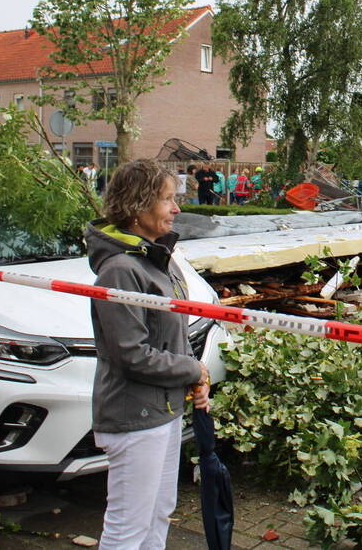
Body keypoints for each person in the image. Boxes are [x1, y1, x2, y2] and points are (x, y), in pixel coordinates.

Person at [84, 158, 211, 549]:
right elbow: (132, 355)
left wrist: (194, 378)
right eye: (167, 200)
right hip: (134, 416)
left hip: (164, 410)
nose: (176, 209)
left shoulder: (157, 257)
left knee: (159, 513)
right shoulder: (121, 270)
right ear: (138, 207)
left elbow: (172, 333)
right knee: (127, 528)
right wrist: (192, 368)